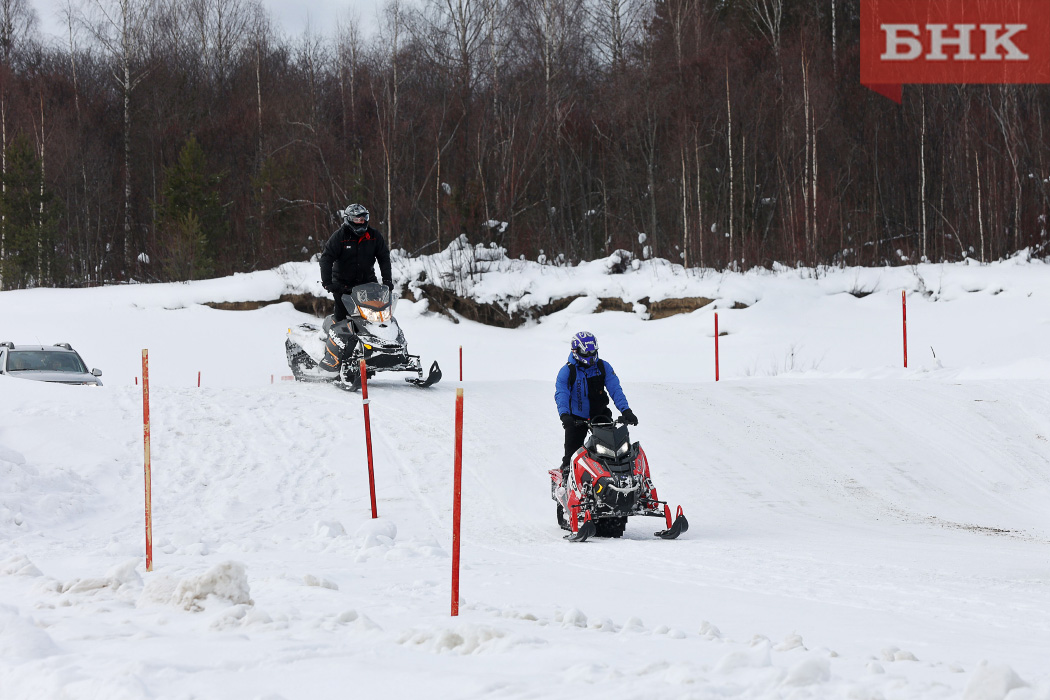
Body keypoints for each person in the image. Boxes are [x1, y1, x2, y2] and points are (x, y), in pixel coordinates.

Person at [554, 331, 638, 476]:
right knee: (571, 457)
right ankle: (565, 483)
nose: (590, 355)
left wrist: (626, 411)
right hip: (575, 419)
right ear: (575, 351)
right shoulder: (567, 371)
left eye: (593, 351)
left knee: (615, 453)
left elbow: (615, 389)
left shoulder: (603, 367)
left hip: (600, 417)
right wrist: (565, 415)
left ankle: (615, 482)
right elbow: (561, 394)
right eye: (586, 352)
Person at [319, 204, 393, 322]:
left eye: (363, 219)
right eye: (357, 219)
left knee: (377, 316)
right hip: (343, 285)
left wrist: (387, 280)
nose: (361, 222)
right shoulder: (340, 237)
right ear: (348, 219)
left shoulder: (374, 236)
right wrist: (327, 282)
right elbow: (326, 259)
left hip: (368, 282)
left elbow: (384, 258)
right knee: (343, 319)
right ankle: (337, 336)